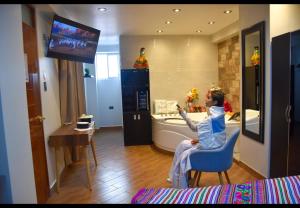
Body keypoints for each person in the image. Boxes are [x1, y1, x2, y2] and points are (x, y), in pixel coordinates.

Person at [167, 88, 226, 188]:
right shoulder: (220, 114)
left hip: (210, 150)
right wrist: (200, 140)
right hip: (215, 145)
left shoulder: (211, 118)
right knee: (182, 144)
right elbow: (216, 134)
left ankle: (182, 187)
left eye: (208, 97)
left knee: (183, 157)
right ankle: (173, 177)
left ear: (215, 102)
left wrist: (183, 115)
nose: (205, 99)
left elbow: (194, 128)